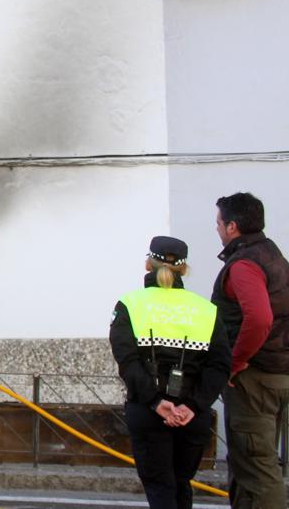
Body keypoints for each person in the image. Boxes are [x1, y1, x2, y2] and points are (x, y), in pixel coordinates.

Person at [110, 236, 231, 509]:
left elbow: (127, 361)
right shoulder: (207, 310)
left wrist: (155, 401)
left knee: (160, 486)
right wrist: (193, 405)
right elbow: (220, 364)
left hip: (148, 410)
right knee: (181, 483)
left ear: (147, 264)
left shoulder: (130, 304)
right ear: (184, 270)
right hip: (192, 415)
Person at [210, 192, 289, 509]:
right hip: (279, 373)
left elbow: (259, 318)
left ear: (232, 227)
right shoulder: (274, 256)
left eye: (218, 223)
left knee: (256, 469)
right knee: (253, 465)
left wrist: (235, 361)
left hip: (255, 379)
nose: (216, 229)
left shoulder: (245, 264)